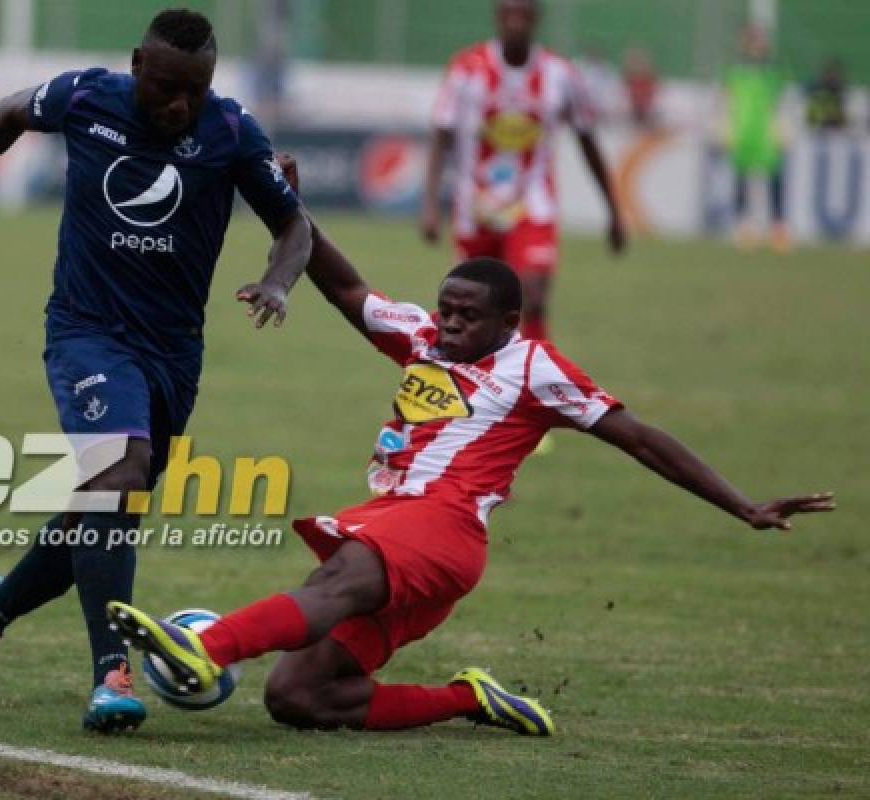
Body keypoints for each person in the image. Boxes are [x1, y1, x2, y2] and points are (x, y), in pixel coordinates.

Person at [107, 154, 834, 735]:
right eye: (446, 308)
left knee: (335, 583)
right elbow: (343, 285)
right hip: (404, 524)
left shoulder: (535, 368)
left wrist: (742, 506)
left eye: (468, 316)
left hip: (444, 526)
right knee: (299, 697)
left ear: (510, 320)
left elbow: (639, 438)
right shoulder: (422, 339)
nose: (450, 324)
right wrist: (288, 211)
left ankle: (206, 649)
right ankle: (467, 699)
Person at [0, 9, 311, 733]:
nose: (179, 106)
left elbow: (294, 224)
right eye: (167, 87)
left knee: (101, 511)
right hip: (87, 333)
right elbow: (7, 114)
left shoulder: (229, 131)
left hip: (173, 353)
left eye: (194, 92)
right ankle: (112, 674)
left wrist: (279, 281)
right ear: (138, 64)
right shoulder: (87, 97)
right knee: (119, 475)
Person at [420, 0, 625, 343]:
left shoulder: (560, 74)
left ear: (535, 19)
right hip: (477, 205)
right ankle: (473, 381)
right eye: (508, 14)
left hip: (532, 201)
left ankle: (535, 378)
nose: (515, 23)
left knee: (533, 295)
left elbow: (588, 142)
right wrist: (429, 204)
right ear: (497, 17)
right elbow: (442, 136)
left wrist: (613, 210)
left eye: (523, 14)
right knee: (472, 305)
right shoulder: (467, 69)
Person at [723, 26, 789, 252]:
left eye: (759, 42)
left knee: (775, 180)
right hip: (743, 133)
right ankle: (743, 227)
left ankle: (778, 227)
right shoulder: (735, 72)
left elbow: (781, 104)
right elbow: (727, 102)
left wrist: (781, 129)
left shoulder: (773, 73)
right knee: (741, 182)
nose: (756, 47)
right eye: (752, 42)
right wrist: (726, 129)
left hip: (765, 134)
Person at [805, 59, 848, 131]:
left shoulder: (838, 94)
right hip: (820, 125)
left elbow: (841, 120)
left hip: (832, 126)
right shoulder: (817, 93)